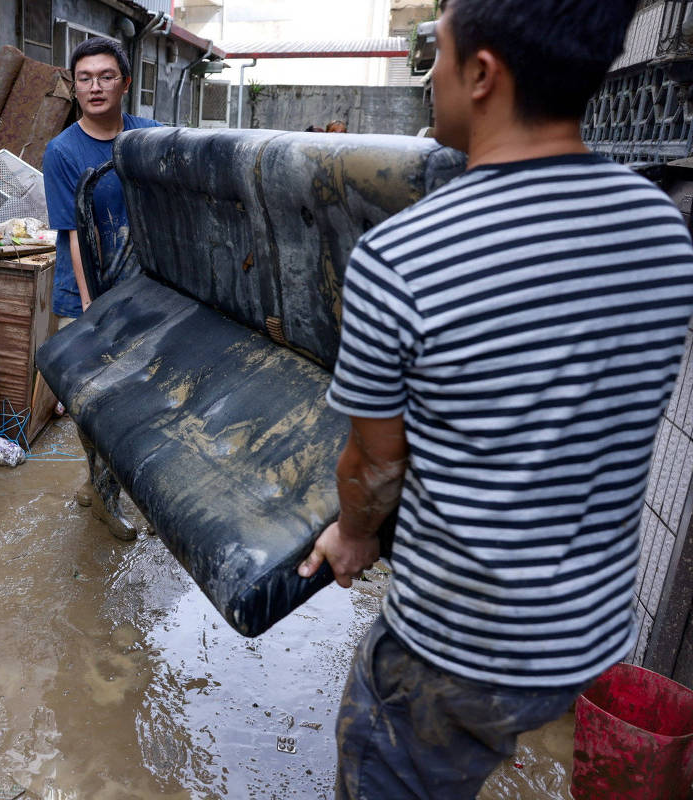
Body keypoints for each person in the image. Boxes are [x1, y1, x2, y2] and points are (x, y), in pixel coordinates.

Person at [295, 1, 693, 798]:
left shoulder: (404, 257)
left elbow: (374, 466)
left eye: (438, 55)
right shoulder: (661, 229)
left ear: (482, 74)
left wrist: (353, 535)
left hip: (454, 645)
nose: (429, 76)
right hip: (583, 639)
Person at [43, 36, 161, 541]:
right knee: (95, 404)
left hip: (144, 291)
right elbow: (73, 232)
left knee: (144, 396)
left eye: (106, 76)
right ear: (73, 87)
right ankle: (103, 497)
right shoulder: (63, 151)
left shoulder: (149, 136)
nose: (95, 87)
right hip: (85, 294)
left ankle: (130, 489)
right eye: (85, 78)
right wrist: (92, 308)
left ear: (125, 83)